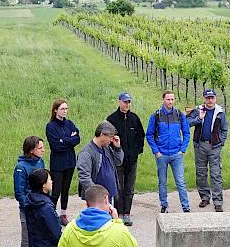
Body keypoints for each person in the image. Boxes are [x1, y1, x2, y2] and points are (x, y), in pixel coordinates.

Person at [146, 90, 191, 213]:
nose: (170, 101)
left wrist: (183, 149)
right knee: (162, 182)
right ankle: (164, 205)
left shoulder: (179, 114)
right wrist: (156, 151)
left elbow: (186, 133)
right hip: (162, 154)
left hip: (177, 154)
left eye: (172, 99)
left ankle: (186, 207)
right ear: (163, 100)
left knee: (181, 182)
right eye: (168, 99)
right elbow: (149, 135)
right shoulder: (156, 116)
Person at [106, 92, 145, 226]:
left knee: (130, 188)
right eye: (124, 102)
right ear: (119, 102)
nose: (127, 104)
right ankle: (119, 213)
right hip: (117, 161)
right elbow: (106, 138)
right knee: (118, 188)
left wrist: (137, 151)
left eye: (128, 102)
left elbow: (141, 135)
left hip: (132, 160)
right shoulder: (111, 119)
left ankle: (127, 213)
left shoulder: (134, 118)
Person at [186, 88, 229, 212]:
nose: (210, 100)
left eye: (212, 98)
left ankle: (218, 201)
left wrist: (221, 142)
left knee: (216, 174)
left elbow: (224, 129)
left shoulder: (220, 112)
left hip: (215, 146)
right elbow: (187, 122)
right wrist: (199, 119)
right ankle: (204, 197)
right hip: (200, 146)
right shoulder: (198, 110)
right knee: (201, 173)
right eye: (207, 98)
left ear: (215, 98)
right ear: (204, 98)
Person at [58, 185, 138, 247]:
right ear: (106, 200)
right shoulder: (119, 231)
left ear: (87, 204)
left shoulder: (70, 229)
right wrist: (117, 221)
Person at [46, 99, 81, 226]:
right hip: (57, 164)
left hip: (70, 162)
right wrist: (69, 140)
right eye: (62, 109)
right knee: (56, 191)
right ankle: (51, 214)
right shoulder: (51, 127)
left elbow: (77, 139)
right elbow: (56, 145)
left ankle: (63, 214)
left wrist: (64, 140)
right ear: (55, 110)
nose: (65, 111)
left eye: (66, 109)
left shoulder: (70, 124)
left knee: (66, 190)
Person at [76, 121, 124, 203]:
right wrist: (96, 195)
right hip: (97, 199)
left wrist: (118, 148)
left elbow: (118, 162)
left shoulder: (107, 148)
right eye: (111, 137)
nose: (112, 140)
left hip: (109, 195)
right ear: (102, 135)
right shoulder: (86, 152)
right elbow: (84, 177)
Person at [14, 136, 46, 247]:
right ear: (31, 150)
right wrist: (28, 207)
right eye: (40, 148)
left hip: (41, 206)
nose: (43, 150)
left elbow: (44, 184)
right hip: (28, 209)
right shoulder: (20, 167)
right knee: (27, 240)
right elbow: (19, 193)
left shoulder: (40, 162)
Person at [24, 168, 62, 247]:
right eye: (49, 179)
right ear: (43, 184)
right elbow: (56, 232)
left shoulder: (30, 200)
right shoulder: (45, 207)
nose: (52, 181)